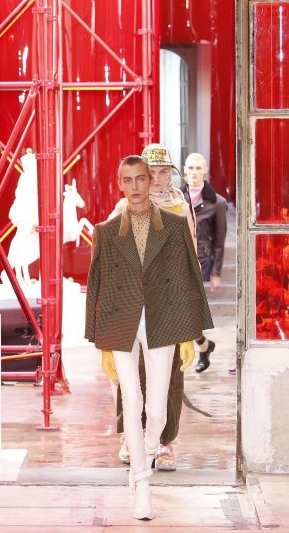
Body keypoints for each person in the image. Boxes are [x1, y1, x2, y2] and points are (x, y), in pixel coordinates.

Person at [85, 155, 213, 520]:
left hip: (163, 319)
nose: (136, 186)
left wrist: (191, 334)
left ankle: (149, 450)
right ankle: (142, 483)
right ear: (120, 184)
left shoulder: (174, 224)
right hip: (122, 320)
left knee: (156, 410)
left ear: (150, 179)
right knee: (132, 398)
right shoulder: (107, 230)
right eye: (128, 180)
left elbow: (188, 278)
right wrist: (99, 339)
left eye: (141, 178)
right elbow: (98, 285)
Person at [109, 143, 197, 471]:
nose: (158, 179)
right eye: (152, 172)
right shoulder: (124, 207)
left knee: (170, 374)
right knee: (131, 373)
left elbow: (191, 260)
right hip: (133, 302)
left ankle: (165, 442)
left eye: (163, 172)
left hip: (170, 303)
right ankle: (130, 438)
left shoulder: (180, 207)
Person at [182, 153, 228, 372]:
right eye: (190, 168)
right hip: (178, 259)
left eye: (198, 168)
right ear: (184, 171)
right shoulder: (175, 199)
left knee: (188, 308)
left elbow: (219, 240)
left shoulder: (217, 203)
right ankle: (204, 346)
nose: (194, 172)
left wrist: (216, 272)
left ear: (205, 171)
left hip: (201, 260)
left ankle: (199, 348)